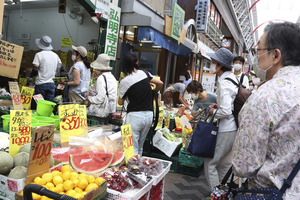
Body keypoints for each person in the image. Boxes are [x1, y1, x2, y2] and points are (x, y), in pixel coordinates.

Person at [232, 22, 300, 199]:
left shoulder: (266, 97)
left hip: (270, 193)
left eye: (259, 50)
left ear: (276, 55)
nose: (256, 57)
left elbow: (243, 166)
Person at [204, 48, 238, 190]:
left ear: (219, 65)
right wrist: (219, 106)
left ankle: (216, 194)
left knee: (210, 163)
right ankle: (223, 192)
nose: (212, 64)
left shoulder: (224, 83)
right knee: (224, 163)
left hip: (225, 129)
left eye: (213, 62)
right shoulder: (233, 79)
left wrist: (213, 111)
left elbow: (225, 110)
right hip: (233, 127)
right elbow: (229, 103)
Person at [118, 52, 163, 155]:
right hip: (149, 116)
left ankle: (133, 169)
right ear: (136, 62)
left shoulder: (125, 81)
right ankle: (140, 166)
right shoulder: (144, 73)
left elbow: (120, 102)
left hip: (135, 116)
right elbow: (160, 83)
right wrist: (154, 92)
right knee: (140, 146)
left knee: (132, 147)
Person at [86, 54, 117, 124]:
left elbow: (100, 98)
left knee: (97, 131)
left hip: (101, 112)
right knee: (104, 131)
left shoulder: (101, 78)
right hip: (110, 110)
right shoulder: (112, 77)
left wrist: (89, 98)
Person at [32, 35, 62, 102]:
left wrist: (33, 76)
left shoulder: (38, 55)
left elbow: (35, 70)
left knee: (39, 105)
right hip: (51, 84)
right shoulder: (55, 55)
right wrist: (55, 76)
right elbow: (60, 67)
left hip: (40, 84)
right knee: (49, 105)